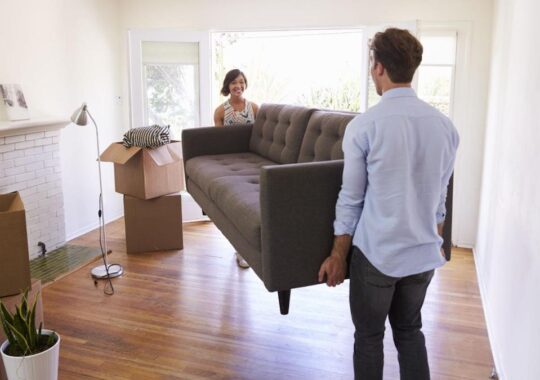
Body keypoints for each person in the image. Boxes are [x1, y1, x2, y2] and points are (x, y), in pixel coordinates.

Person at [318, 28, 459, 380]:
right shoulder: (446, 128)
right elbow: (440, 198)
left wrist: (337, 256)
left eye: (371, 65)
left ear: (379, 67)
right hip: (423, 256)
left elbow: (351, 199)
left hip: (377, 256)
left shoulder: (365, 127)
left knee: (369, 338)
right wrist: (435, 240)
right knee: (410, 333)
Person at [214, 69, 259, 268]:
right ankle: (240, 249)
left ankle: (247, 249)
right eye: (233, 82)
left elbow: (260, 137)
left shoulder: (255, 108)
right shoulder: (221, 111)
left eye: (241, 82)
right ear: (227, 86)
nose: (237, 86)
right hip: (231, 160)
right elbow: (220, 141)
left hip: (251, 159)